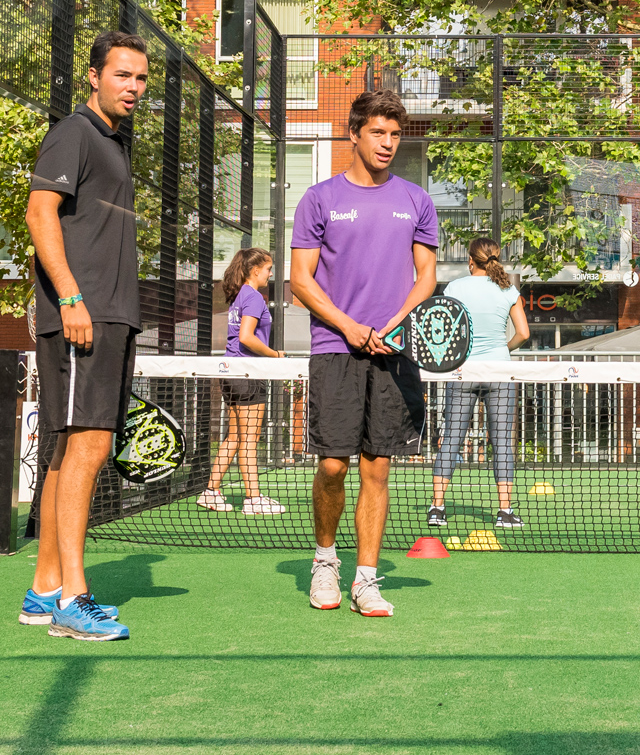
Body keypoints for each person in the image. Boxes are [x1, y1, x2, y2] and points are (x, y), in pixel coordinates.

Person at [19, 30, 150, 642]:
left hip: (110, 315)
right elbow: (39, 211)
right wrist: (71, 297)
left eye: (141, 78)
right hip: (83, 315)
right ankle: (74, 597)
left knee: (71, 453)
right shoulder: (74, 131)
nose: (133, 87)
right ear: (94, 76)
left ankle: (44, 589)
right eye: (122, 75)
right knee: (88, 448)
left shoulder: (116, 143)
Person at [289, 90, 439, 617]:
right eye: (378, 133)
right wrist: (351, 327)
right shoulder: (319, 199)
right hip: (335, 347)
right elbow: (300, 282)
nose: (388, 144)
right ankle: (325, 561)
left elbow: (426, 277)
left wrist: (393, 325)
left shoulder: (417, 201)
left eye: (395, 135)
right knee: (333, 465)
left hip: (394, 354)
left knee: (377, 468)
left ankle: (366, 580)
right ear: (354, 134)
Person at [428, 237, 531, 529]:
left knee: (451, 440)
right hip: (499, 371)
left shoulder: (455, 288)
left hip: (462, 371)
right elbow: (523, 333)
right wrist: (502, 350)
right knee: (501, 444)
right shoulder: (507, 289)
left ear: (470, 261)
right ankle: (506, 512)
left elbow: (443, 331)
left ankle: (437, 509)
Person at [199, 247, 285, 515]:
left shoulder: (240, 296)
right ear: (255, 270)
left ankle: (211, 492)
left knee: (235, 437)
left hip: (231, 373)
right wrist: (274, 355)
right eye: (268, 269)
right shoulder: (254, 297)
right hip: (246, 374)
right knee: (249, 439)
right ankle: (253, 499)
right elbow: (247, 337)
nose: (270, 274)